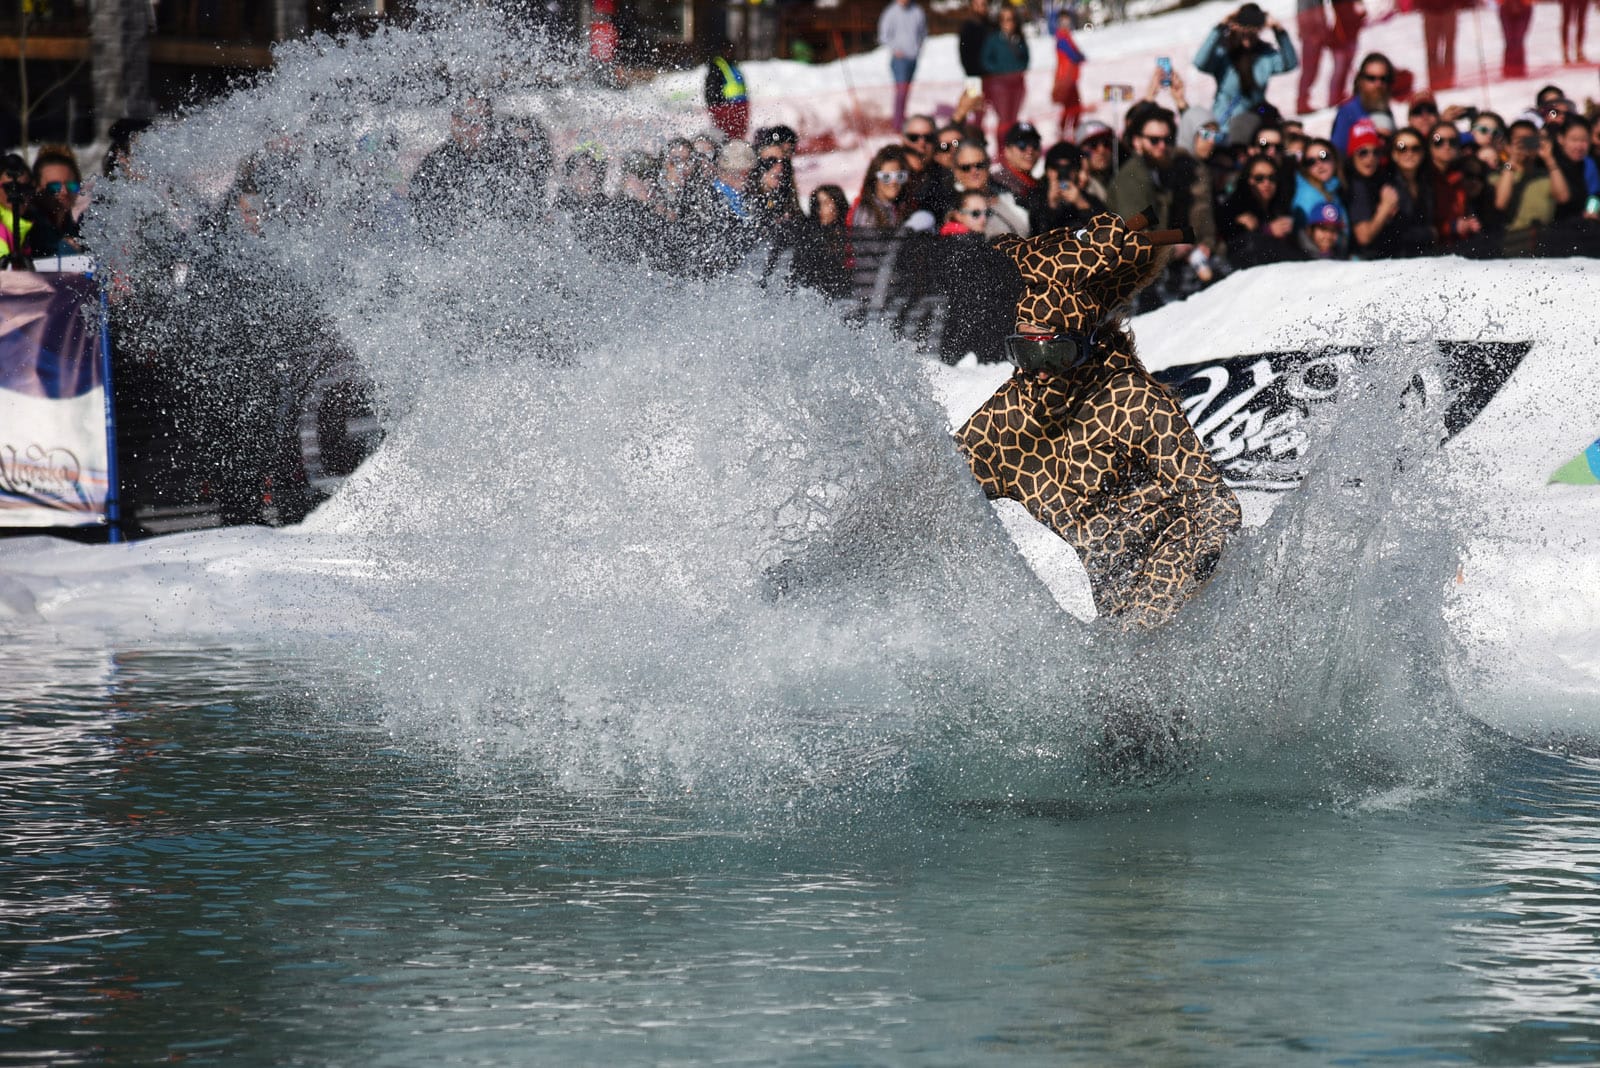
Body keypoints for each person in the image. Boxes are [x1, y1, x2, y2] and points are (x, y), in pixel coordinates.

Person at [954, 214, 1242, 629]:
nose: (1039, 371)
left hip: (1177, 556)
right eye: (1025, 353)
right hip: (1115, 600)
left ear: (1084, 346)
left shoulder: (1131, 399)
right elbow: (938, 484)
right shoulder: (1008, 419)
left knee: (1136, 644)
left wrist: (1187, 572)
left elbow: (1214, 503)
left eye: (1054, 354)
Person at [1192, 3, 1298, 139]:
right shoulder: (1225, 53)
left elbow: (1290, 63)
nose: (1248, 33)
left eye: (1253, 28)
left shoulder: (1265, 56)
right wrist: (1221, 26)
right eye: (1244, 27)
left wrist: (1279, 31)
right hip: (1225, 127)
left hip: (1255, 122)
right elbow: (1200, 62)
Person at [1106, 108, 1180, 228]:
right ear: (1137, 141)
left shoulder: (1157, 170)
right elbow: (1137, 236)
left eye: (1167, 140)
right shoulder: (1131, 177)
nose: (1162, 146)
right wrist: (1175, 246)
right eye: (1154, 140)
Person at [1219, 155, 1299, 266]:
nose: (1266, 183)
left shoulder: (1280, 208)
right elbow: (1233, 244)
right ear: (1248, 180)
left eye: (1272, 178)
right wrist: (1267, 231)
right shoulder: (1235, 208)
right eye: (1259, 178)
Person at [1494, 119, 1556, 254]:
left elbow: (1564, 197)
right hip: (1512, 242)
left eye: (1529, 141)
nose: (1525, 146)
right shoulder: (1501, 174)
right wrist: (1512, 160)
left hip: (1546, 242)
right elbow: (1500, 203)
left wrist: (1549, 159)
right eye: (1519, 141)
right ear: (1508, 145)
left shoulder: (1546, 174)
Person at [1296, 0, 1366, 114]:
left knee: (1341, 62)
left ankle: (1335, 96)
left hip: (1327, 20)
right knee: (1311, 67)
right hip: (1313, 22)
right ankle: (1303, 101)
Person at [1330, 52, 1396, 155]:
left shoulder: (1385, 110)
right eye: (1371, 78)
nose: (1378, 84)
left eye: (1384, 79)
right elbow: (1338, 153)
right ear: (1361, 80)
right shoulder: (1348, 111)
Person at [982, 6, 1031, 142]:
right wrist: (1000, 71)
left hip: (1017, 84)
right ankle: (1002, 151)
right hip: (1000, 85)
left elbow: (1026, 58)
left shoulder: (1018, 39)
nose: (1007, 23)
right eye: (1003, 19)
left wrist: (1018, 68)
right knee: (1004, 120)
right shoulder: (993, 39)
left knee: (1013, 119)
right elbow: (985, 60)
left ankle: (1011, 149)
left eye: (1010, 19)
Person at [879, 0, 928, 134]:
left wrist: (918, 48)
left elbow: (923, 32)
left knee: (906, 91)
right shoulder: (890, 13)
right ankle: (897, 124)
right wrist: (895, 49)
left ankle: (901, 118)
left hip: (913, 58)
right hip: (899, 59)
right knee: (901, 91)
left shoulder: (917, 11)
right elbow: (883, 36)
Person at [29, 145, 87, 256]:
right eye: (54, 186)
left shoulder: (79, 229)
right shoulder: (28, 226)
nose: (64, 192)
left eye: (71, 185)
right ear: (36, 187)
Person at [1050, 7, 1087, 140]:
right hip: (1066, 79)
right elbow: (1072, 55)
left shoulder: (1066, 36)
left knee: (1072, 107)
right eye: (1063, 21)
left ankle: (1070, 132)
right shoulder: (1062, 37)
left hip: (1070, 78)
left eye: (1067, 20)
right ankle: (1069, 133)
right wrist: (1080, 56)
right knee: (1073, 107)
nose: (1066, 23)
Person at [991, 120, 1043, 200]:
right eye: (1022, 144)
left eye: (1034, 144)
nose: (1030, 150)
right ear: (1007, 151)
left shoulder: (1038, 185)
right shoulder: (997, 184)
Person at [704, 52, 750, 141]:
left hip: (738, 107)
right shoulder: (718, 66)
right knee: (727, 136)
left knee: (738, 136)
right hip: (727, 108)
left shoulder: (732, 65)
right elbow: (712, 90)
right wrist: (719, 106)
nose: (730, 52)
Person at [1498, 0, 1533, 77]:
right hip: (1506, 7)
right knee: (1509, 39)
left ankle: (1519, 69)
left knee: (1518, 39)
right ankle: (1509, 69)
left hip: (1524, 7)